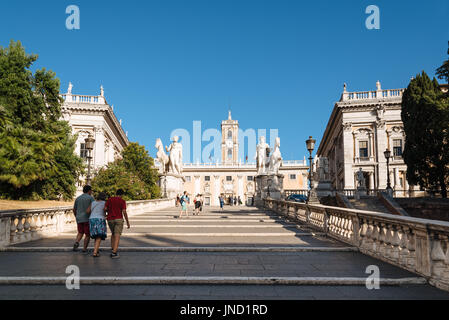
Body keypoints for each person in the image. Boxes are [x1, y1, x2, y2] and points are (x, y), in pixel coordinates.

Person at [104, 189, 130, 259]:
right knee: (117, 235)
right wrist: (127, 222)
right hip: (119, 219)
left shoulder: (109, 199)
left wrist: (106, 215)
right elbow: (124, 212)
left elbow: (105, 208)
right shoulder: (122, 201)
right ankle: (114, 253)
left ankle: (112, 248)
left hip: (110, 219)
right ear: (121, 195)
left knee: (113, 234)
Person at [73, 185, 94, 253]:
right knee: (87, 234)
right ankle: (84, 248)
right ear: (89, 191)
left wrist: (76, 216)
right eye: (91, 191)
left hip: (79, 218)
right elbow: (93, 207)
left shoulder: (78, 198)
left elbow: (74, 209)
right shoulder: (91, 198)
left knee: (80, 232)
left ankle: (76, 242)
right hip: (87, 218)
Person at [86, 192, 107, 257]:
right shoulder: (104, 203)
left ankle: (96, 250)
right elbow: (105, 209)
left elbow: (87, 211)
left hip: (92, 219)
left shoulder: (93, 202)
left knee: (96, 235)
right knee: (99, 236)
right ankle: (95, 252)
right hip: (100, 219)